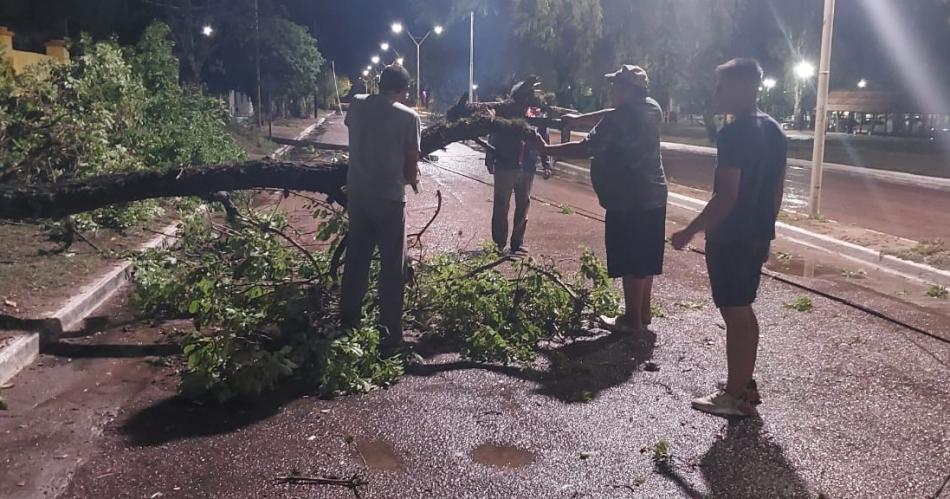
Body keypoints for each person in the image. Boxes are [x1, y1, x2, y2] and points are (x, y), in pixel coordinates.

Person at [670, 58, 788, 417]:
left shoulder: (734, 134)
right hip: (755, 235)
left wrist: (689, 231)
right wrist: (766, 229)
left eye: (722, 86)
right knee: (744, 311)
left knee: (736, 314)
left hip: (731, 237)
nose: (717, 93)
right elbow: (777, 190)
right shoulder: (774, 130)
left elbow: (727, 195)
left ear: (741, 87)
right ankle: (743, 385)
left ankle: (734, 395)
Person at [528, 65, 668, 334]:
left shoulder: (619, 121)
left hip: (628, 199)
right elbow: (611, 113)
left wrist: (545, 148)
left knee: (630, 260)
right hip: (654, 195)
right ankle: (644, 313)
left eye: (615, 85)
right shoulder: (652, 107)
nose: (610, 89)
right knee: (647, 257)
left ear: (629, 89)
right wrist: (580, 118)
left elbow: (585, 148)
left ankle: (631, 321)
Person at [340, 65, 421, 351]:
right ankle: (389, 337)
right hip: (388, 199)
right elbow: (411, 166)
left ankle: (348, 327)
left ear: (380, 83)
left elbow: (353, 126)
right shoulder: (408, 117)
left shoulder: (357, 105)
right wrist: (413, 177)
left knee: (356, 263)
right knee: (391, 269)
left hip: (358, 195)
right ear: (403, 90)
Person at [486, 78, 552, 254]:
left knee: (523, 205)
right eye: (527, 93)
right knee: (501, 204)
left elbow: (544, 139)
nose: (530, 97)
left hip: (528, 166)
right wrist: (489, 157)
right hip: (505, 163)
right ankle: (499, 243)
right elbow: (494, 134)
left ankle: (517, 243)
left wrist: (547, 163)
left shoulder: (536, 114)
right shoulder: (506, 112)